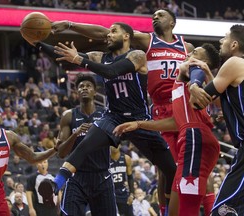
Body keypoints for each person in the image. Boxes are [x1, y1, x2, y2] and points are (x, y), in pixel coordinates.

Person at [50, 8, 195, 215]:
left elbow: (198, 67)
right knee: (164, 170)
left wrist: (200, 89)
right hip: (153, 110)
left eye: (161, 15)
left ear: (173, 22)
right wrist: (65, 28)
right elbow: (102, 33)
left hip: (172, 109)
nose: (155, 16)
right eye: (153, 14)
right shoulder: (146, 41)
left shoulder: (185, 46)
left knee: (178, 168)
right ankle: (56, 183)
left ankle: (175, 209)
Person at [24, 22, 176, 214]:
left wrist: (80, 59)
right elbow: (61, 55)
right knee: (85, 145)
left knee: (170, 169)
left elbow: (111, 71)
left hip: (139, 119)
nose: (109, 35)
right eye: (108, 32)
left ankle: (167, 210)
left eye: (114, 31)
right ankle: (56, 184)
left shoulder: (137, 55)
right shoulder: (99, 57)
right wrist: (37, 43)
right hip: (113, 116)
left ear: (127, 36)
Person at [113, 43, 221, 216]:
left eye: (195, 53)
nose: (190, 54)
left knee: (186, 208)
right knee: (177, 207)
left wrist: (194, 84)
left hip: (194, 137)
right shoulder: (191, 79)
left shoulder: (192, 68)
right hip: (195, 135)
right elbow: (175, 122)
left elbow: (196, 71)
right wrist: (139, 124)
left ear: (204, 61)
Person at [188, 24, 244, 216]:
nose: (221, 41)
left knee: (222, 211)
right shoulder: (237, 69)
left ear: (235, 44)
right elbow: (221, 101)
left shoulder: (235, 62)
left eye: (225, 38)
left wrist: (193, 84)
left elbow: (198, 102)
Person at [53, 74, 116, 216]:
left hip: (102, 175)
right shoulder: (69, 115)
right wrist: (75, 134)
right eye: (81, 86)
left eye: (88, 86)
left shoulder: (106, 114)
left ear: (95, 91)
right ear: (76, 92)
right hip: (77, 177)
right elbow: (61, 153)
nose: (84, 88)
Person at [110, 145, 134, 216]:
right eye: (112, 144)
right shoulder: (105, 159)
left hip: (123, 192)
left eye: (116, 144)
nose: (114, 146)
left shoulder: (126, 158)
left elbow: (130, 177)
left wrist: (132, 194)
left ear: (119, 145)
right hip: (110, 192)